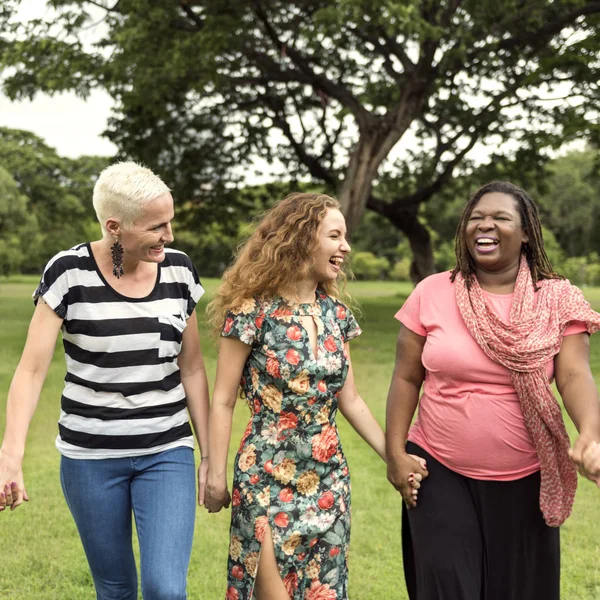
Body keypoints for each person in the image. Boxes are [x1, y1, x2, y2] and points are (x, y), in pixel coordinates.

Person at [0, 162, 210, 600]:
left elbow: (191, 368)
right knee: (114, 588)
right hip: (89, 457)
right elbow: (31, 369)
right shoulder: (68, 273)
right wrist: (10, 456)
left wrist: (209, 455)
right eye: (157, 226)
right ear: (115, 227)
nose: (169, 236)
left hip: (165, 450)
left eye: (170, 222)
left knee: (165, 590)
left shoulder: (179, 272)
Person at [385, 181, 600, 600]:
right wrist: (396, 452)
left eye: (501, 218)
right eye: (476, 217)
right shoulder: (433, 291)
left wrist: (590, 432)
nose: (485, 225)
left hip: (526, 474)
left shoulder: (556, 299)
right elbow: (406, 377)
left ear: (525, 234)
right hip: (438, 467)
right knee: (448, 585)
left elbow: (574, 375)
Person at [204, 193, 400, 600]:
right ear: (302, 238)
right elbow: (222, 399)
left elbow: (352, 401)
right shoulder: (250, 311)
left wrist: (393, 457)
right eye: (335, 236)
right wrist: (215, 473)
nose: (345, 247)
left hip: (329, 478)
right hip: (265, 477)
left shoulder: (336, 315)